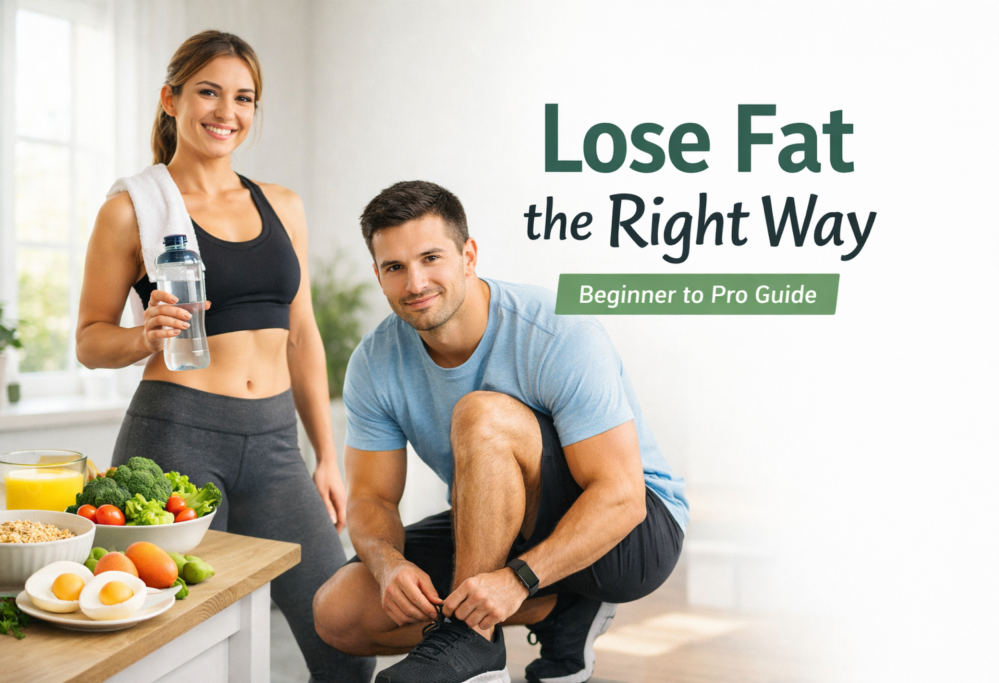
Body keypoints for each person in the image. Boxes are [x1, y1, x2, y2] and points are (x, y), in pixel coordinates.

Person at [75, 30, 374, 683]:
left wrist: (325, 453)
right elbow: (90, 338)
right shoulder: (131, 209)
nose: (227, 112)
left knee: (344, 634)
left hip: (274, 445)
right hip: (176, 435)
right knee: (168, 642)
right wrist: (142, 335)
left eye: (244, 98)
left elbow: (304, 336)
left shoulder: (281, 204)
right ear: (170, 99)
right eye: (209, 91)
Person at [313, 180, 689, 683]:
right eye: (395, 267)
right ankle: (558, 611)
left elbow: (622, 497)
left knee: (480, 415)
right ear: (379, 276)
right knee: (338, 611)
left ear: (468, 255)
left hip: (633, 533)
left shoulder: (557, 331)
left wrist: (518, 578)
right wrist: (387, 567)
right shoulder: (375, 363)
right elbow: (370, 499)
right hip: (510, 525)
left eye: (431, 258)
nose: (415, 282)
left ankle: (471, 646)